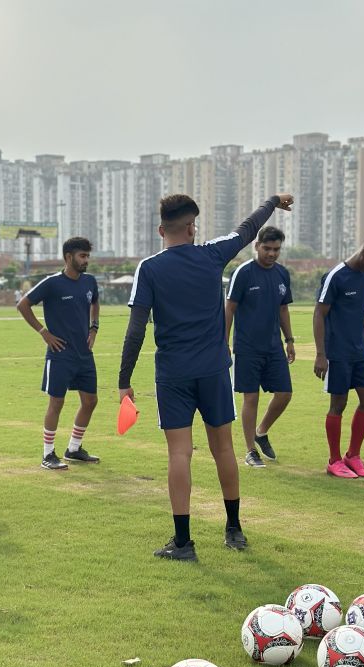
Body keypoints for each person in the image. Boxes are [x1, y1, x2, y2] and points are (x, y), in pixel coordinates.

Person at [118, 192, 294, 561]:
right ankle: (234, 529)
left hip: (173, 374)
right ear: (192, 227)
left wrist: (124, 380)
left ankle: (183, 543)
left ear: (161, 230)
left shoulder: (149, 268)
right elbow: (247, 229)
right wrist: (272, 202)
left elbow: (136, 330)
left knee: (179, 453)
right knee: (224, 449)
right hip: (214, 371)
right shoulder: (212, 254)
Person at [16, 237, 100, 470]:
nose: (86, 260)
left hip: (84, 354)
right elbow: (23, 305)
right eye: (82, 256)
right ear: (68, 257)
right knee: (57, 402)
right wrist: (44, 332)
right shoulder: (52, 283)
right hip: (60, 353)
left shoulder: (90, 281)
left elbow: (95, 303)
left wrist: (94, 328)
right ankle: (48, 454)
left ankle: (73, 449)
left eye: (88, 256)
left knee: (90, 401)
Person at [313, 234, 364, 478]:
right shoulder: (336, 276)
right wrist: (320, 354)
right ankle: (334, 461)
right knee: (338, 404)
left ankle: (353, 456)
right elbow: (319, 314)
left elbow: (360, 314)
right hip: (337, 352)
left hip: (359, 352)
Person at [225, 226, 295, 468]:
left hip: (274, 347)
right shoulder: (243, 273)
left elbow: (283, 308)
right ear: (257, 246)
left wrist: (289, 340)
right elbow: (229, 308)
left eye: (276, 249)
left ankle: (261, 431)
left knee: (285, 394)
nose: (272, 253)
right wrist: (224, 342)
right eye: (267, 248)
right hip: (247, 347)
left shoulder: (282, 274)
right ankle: (250, 451)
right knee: (251, 397)